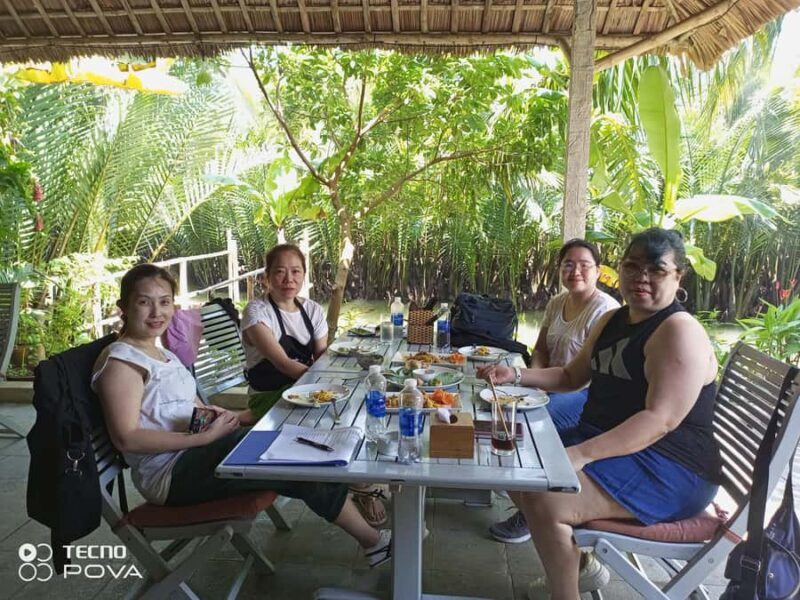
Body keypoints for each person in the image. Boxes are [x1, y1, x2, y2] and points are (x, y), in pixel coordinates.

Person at [92, 264, 391, 569]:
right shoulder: (122, 362)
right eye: (144, 302)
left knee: (293, 446)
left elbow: (189, 405)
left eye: (165, 301)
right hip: (171, 474)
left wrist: (221, 417)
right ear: (124, 308)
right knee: (293, 457)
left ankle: (366, 520)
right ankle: (373, 542)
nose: (157, 311)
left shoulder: (162, 354)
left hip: (196, 451)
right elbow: (126, 436)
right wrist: (201, 437)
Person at [478, 228, 722, 600]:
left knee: (547, 497)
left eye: (656, 270)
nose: (641, 277)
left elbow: (661, 420)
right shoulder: (614, 321)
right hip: (618, 447)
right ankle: (580, 568)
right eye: (632, 266)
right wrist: (515, 373)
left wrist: (579, 454)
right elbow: (571, 376)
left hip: (671, 468)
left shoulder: (678, 331)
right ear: (619, 270)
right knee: (513, 456)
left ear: (678, 277)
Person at [240, 243, 387, 526]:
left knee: (360, 405)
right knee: (338, 419)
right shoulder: (257, 312)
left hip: (307, 390)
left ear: (304, 275)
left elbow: (322, 356)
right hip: (269, 397)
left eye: (296, 271)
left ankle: (358, 479)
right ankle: (361, 486)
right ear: (266, 278)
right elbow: (283, 364)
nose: (288, 279)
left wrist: (341, 380)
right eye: (280, 272)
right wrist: (325, 387)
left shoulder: (310, 310)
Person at [490, 239, 619, 548]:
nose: (575, 271)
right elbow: (542, 350)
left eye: (584, 265)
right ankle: (520, 493)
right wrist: (531, 383)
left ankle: (531, 513)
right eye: (568, 264)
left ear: (598, 271)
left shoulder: (605, 311)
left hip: (584, 392)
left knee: (523, 427)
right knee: (497, 406)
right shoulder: (556, 303)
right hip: (551, 384)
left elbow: (586, 376)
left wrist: (539, 389)